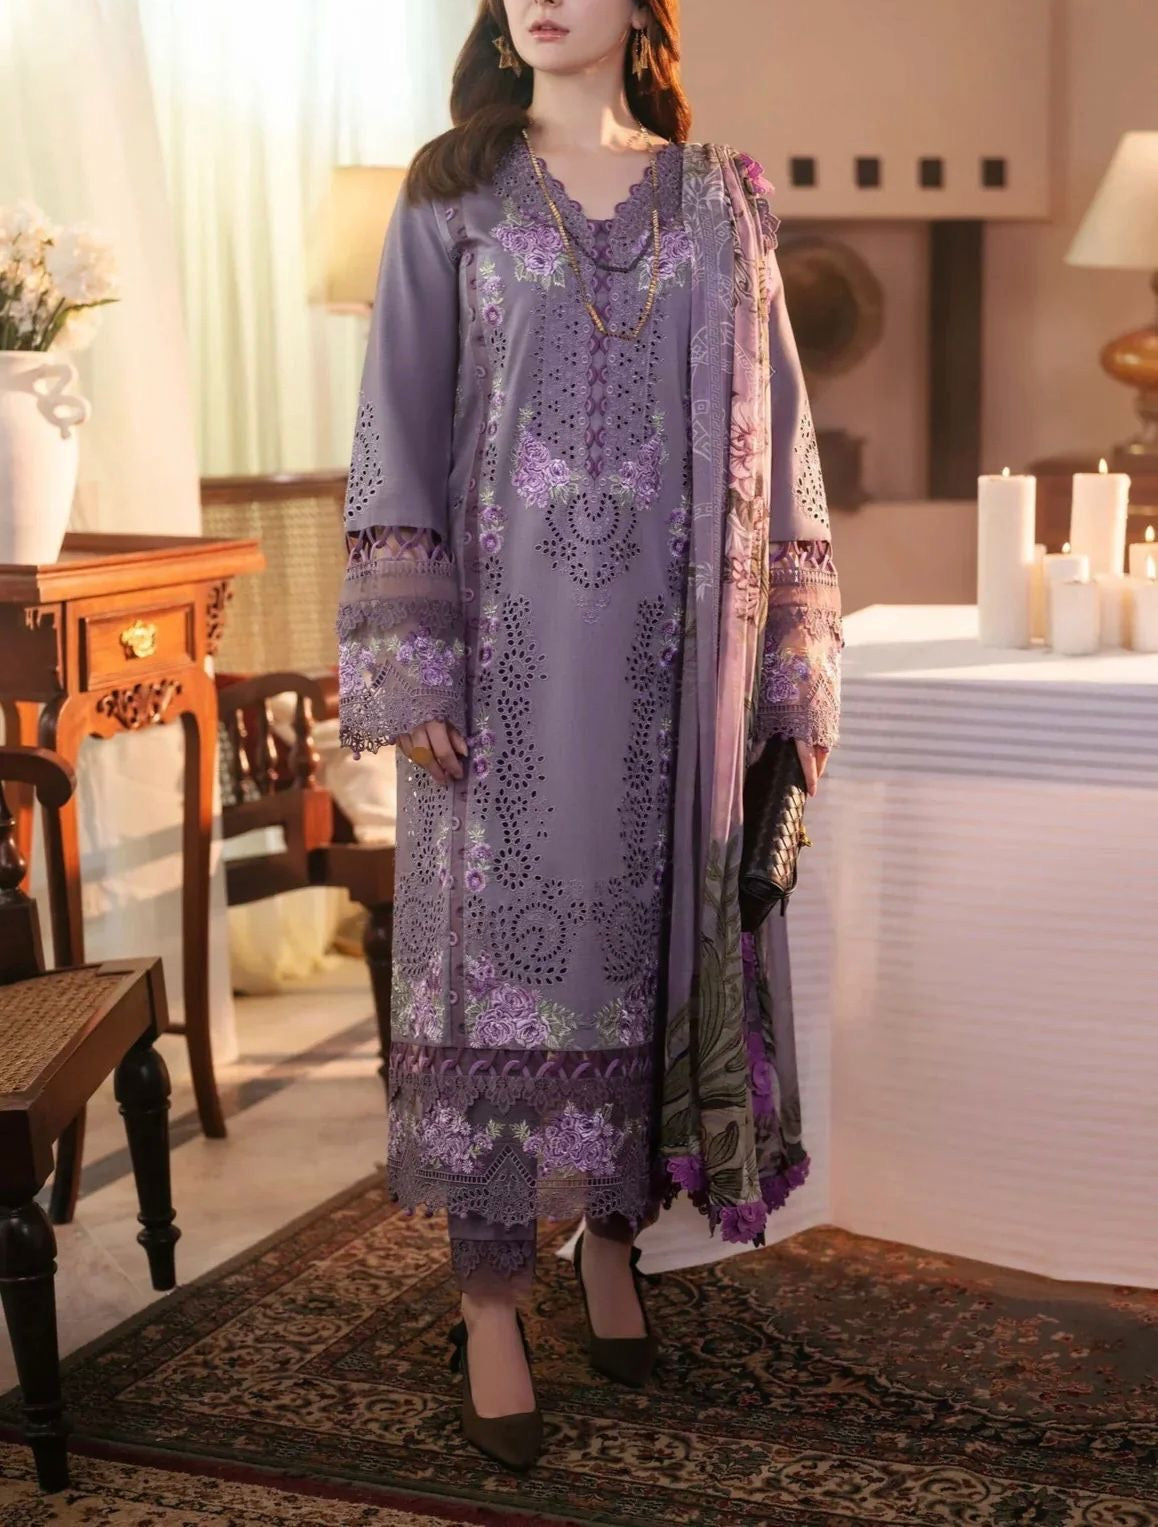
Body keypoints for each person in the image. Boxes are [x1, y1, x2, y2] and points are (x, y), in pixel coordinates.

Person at [336, 0, 842, 1472]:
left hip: (677, 683)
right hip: (500, 673)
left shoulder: (720, 203)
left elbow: (785, 440)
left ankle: (610, 1243)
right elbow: (393, 426)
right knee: (501, 982)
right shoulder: (449, 193)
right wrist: (412, 660)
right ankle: (491, 1301)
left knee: (648, 959)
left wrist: (794, 664)